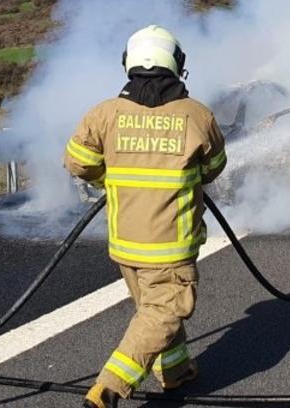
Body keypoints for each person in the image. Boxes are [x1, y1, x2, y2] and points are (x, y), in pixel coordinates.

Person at [64, 24, 227, 408]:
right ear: (177, 64)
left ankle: (176, 371)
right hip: (170, 246)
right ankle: (108, 388)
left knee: (154, 311)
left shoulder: (104, 113)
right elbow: (215, 166)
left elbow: (77, 163)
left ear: (128, 63)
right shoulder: (197, 115)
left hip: (126, 245)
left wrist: (114, 178)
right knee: (165, 311)